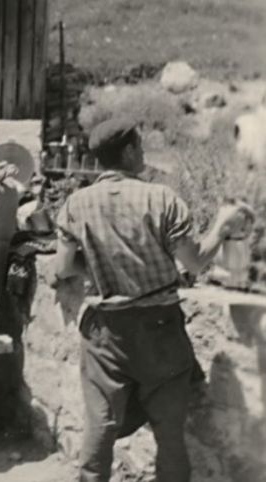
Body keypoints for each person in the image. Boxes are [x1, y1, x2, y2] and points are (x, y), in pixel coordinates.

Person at [53, 117, 255, 482]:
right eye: (141, 146)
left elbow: (65, 266)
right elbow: (194, 261)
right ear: (128, 151)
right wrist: (222, 227)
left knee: (101, 425)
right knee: (169, 434)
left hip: (105, 335)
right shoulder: (161, 199)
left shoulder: (75, 204)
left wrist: (105, 267)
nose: (144, 151)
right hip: (160, 331)